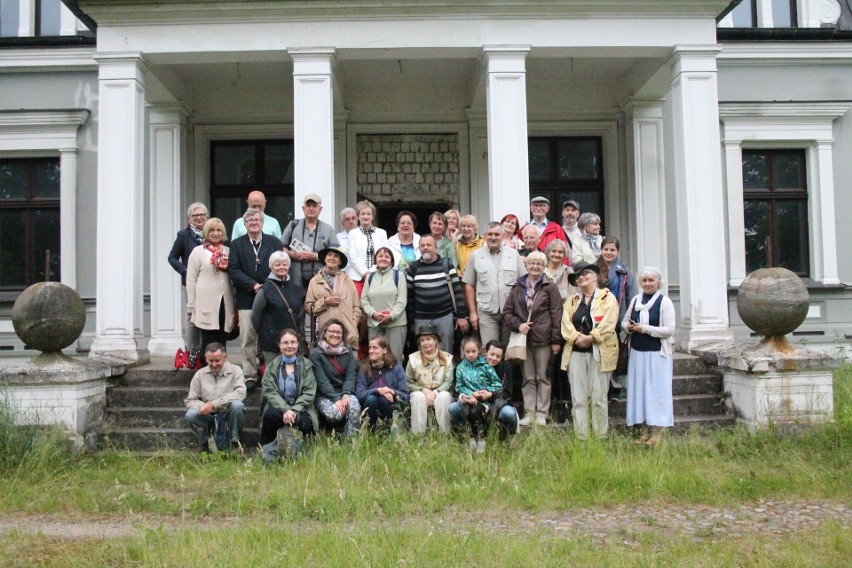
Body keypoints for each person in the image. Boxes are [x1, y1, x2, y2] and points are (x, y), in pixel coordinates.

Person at [502, 251, 563, 426]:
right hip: (524, 340)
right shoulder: (517, 287)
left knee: (542, 377)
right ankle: (529, 413)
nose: (535, 266)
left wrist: (556, 340)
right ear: (526, 265)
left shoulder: (550, 287)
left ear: (544, 267)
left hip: (544, 339)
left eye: (539, 263)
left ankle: (542, 413)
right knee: (528, 377)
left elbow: (556, 314)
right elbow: (507, 313)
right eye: (532, 263)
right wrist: (518, 325)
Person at [560, 262, 619, 439]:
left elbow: (609, 324)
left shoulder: (608, 298)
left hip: (599, 352)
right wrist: (577, 338)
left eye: (585, 273)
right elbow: (565, 324)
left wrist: (591, 337)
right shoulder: (572, 300)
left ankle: (600, 436)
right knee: (578, 397)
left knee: (599, 397)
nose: (581, 277)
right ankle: (582, 436)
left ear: (595, 276)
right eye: (577, 276)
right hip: (576, 353)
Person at [229, 208, 285, 389]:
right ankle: (250, 375)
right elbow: (234, 270)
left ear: (263, 223)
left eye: (257, 219)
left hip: (271, 296)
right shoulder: (237, 245)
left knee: (272, 336)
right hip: (247, 298)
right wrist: (253, 285)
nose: (254, 222)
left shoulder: (274, 242)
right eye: (250, 220)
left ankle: (274, 373)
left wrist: (267, 286)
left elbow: (281, 265)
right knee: (248, 337)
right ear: (244, 224)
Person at [622, 267, 675, 446]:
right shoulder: (636, 300)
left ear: (658, 282)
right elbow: (624, 321)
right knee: (640, 392)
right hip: (637, 354)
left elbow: (669, 330)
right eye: (644, 280)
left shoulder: (664, 302)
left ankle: (657, 432)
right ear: (640, 283)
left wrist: (645, 329)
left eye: (651, 280)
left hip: (657, 355)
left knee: (656, 392)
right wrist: (629, 327)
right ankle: (644, 430)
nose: (647, 284)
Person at [463, 221, 526, 347]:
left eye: (497, 234)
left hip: (510, 311)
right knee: (490, 349)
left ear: (503, 236)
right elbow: (469, 285)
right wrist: (473, 312)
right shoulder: (476, 256)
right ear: (484, 236)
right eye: (490, 234)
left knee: (508, 351)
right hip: (487, 312)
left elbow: (523, 281)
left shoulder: (513, 255)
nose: (493, 237)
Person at [405, 235, 469, 354]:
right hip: (421, 318)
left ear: (436, 248)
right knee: (425, 352)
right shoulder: (412, 269)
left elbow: (457, 291)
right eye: (422, 245)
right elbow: (409, 297)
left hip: (444, 316)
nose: (425, 248)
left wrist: (461, 315)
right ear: (419, 249)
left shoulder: (446, 264)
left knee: (446, 352)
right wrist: (412, 321)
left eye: (429, 245)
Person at [259, 329, 318, 454]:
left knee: (305, 421)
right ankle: (268, 450)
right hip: (279, 407)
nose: (289, 346)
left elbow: (309, 392)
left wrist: (293, 410)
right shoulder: (272, 366)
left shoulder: (307, 365)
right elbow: (270, 391)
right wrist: (285, 409)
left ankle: (304, 451)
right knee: (270, 417)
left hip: (301, 408)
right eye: (285, 343)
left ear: (298, 344)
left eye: (293, 342)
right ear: (279, 345)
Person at [186, 217, 235, 362]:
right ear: (206, 232)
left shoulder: (227, 251)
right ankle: (205, 373)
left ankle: (221, 371)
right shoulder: (197, 252)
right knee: (207, 341)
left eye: (218, 230)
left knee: (221, 340)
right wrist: (191, 304)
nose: (215, 233)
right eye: (212, 230)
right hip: (205, 303)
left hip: (224, 304)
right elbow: (191, 279)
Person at [184, 343, 246, 453]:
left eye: (217, 360)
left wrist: (214, 404)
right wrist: (202, 406)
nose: (214, 364)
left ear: (225, 358)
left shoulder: (236, 371)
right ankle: (205, 443)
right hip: (207, 414)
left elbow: (240, 393)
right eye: (210, 361)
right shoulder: (200, 374)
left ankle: (235, 442)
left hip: (227, 411)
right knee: (191, 415)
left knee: (238, 406)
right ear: (206, 359)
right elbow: (190, 400)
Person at [596, 236, 638, 400]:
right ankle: (602, 387)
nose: (608, 252)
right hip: (599, 316)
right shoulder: (594, 268)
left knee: (617, 352)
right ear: (601, 250)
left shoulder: (624, 271)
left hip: (618, 315)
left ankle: (617, 386)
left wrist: (630, 317)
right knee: (601, 352)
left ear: (618, 251)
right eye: (606, 249)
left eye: (612, 250)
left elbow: (631, 294)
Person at [448, 336, 504, 453]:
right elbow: (459, 386)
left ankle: (481, 439)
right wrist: (469, 395)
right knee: (464, 411)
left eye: (474, 351)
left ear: (479, 350)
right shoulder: (461, 368)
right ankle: (469, 438)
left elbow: (497, 385)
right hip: (468, 399)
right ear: (463, 351)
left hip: (484, 401)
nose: (471, 354)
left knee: (475, 412)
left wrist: (484, 392)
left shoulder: (485, 366)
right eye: (467, 352)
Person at [251, 251, 307, 366]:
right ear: (271, 267)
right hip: (271, 343)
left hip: (292, 342)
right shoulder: (265, 290)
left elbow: (300, 315)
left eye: (284, 264)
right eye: (277, 265)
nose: (282, 267)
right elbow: (255, 317)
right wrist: (266, 333)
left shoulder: (296, 288)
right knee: (274, 376)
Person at [168, 202, 208, 353]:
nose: (199, 218)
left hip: (210, 283)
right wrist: (185, 271)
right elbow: (172, 257)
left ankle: (207, 350)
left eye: (202, 215)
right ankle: (192, 352)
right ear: (189, 218)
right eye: (195, 215)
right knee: (193, 316)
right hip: (191, 283)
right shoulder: (184, 235)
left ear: (207, 216)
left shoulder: (212, 233)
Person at [310, 318, 361, 436]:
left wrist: (345, 394)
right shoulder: (316, 354)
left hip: (344, 392)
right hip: (325, 394)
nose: (335, 335)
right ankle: (328, 436)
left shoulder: (347, 351)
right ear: (324, 333)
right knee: (335, 414)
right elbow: (322, 381)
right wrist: (337, 399)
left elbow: (350, 375)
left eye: (339, 332)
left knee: (354, 407)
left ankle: (350, 441)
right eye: (331, 331)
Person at [305, 247, 362, 350]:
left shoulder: (347, 280)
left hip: (348, 335)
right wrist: (324, 302)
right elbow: (309, 307)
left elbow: (357, 306)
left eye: (336, 256)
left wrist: (353, 323)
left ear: (340, 261)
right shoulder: (315, 281)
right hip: (325, 335)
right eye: (329, 255)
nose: (332, 258)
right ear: (325, 258)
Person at [280, 193, 339, 289]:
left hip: (321, 282)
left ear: (320, 209)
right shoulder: (293, 225)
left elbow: (336, 255)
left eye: (315, 206)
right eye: (308, 205)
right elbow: (280, 248)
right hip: (294, 282)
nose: (311, 208)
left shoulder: (328, 229)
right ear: (303, 208)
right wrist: (292, 254)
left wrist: (316, 256)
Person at [405, 323, 454, 435]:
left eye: (429, 339)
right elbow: (408, 382)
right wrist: (424, 390)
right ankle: (418, 435)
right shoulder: (413, 359)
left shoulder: (447, 358)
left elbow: (448, 381)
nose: (425, 343)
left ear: (436, 341)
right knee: (418, 397)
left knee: (444, 396)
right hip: (420, 391)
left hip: (440, 391)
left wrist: (435, 392)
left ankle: (445, 434)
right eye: (422, 340)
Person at [360, 247, 408, 360]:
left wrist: (391, 316)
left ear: (391, 261)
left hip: (396, 324)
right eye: (380, 256)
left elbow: (402, 301)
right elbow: (364, 299)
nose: (383, 259)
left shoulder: (399, 276)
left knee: (394, 358)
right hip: (374, 325)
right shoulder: (370, 277)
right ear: (375, 259)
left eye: (387, 257)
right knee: (376, 358)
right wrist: (373, 313)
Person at [355, 336, 409, 432]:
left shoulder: (396, 367)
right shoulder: (364, 368)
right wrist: (378, 391)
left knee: (384, 399)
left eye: (375, 348)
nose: (371, 351)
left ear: (384, 350)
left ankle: (388, 430)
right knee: (371, 399)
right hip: (370, 406)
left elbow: (406, 395)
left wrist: (392, 392)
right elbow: (359, 394)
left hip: (391, 407)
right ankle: (372, 431)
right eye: (370, 348)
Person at [347, 199, 389, 295]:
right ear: (358, 216)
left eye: (368, 214)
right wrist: (365, 273)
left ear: (373, 216)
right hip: (357, 278)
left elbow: (384, 255)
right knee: (358, 307)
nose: (366, 216)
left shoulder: (382, 233)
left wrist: (372, 272)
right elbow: (353, 257)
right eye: (363, 214)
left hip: (377, 276)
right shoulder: (352, 233)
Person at [483, 340, 519, 438]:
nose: (494, 358)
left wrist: (491, 394)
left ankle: (509, 438)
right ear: (485, 353)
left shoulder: (505, 367)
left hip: (500, 403)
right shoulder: (478, 365)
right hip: (480, 403)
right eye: (492, 354)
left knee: (509, 413)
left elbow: (507, 393)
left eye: (498, 356)